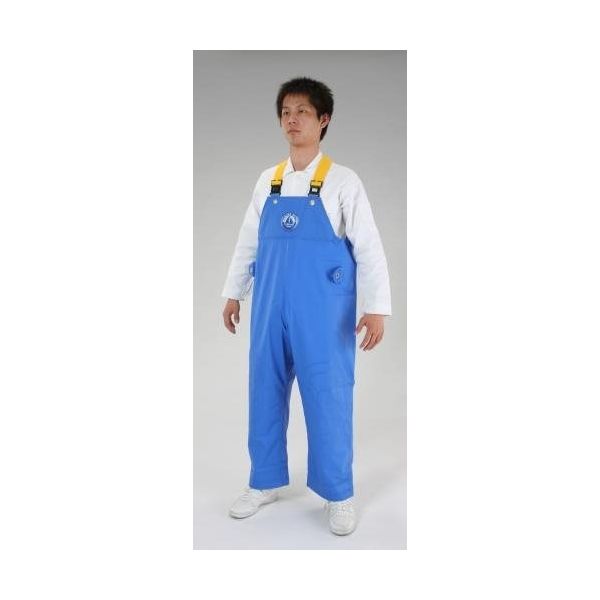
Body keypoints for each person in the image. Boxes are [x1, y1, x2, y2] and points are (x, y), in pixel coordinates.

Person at [221, 77, 392, 536]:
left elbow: (369, 247)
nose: (292, 120)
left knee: (328, 395)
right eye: (285, 112)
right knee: (264, 390)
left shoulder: (343, 181)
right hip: (269, 307)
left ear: (323, 120)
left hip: (324, 313)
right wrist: (233, 292)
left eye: (302, 111)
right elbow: (248, 242)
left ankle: (339, 493)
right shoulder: (269, 180)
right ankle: (263, 481)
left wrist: (377, 306)